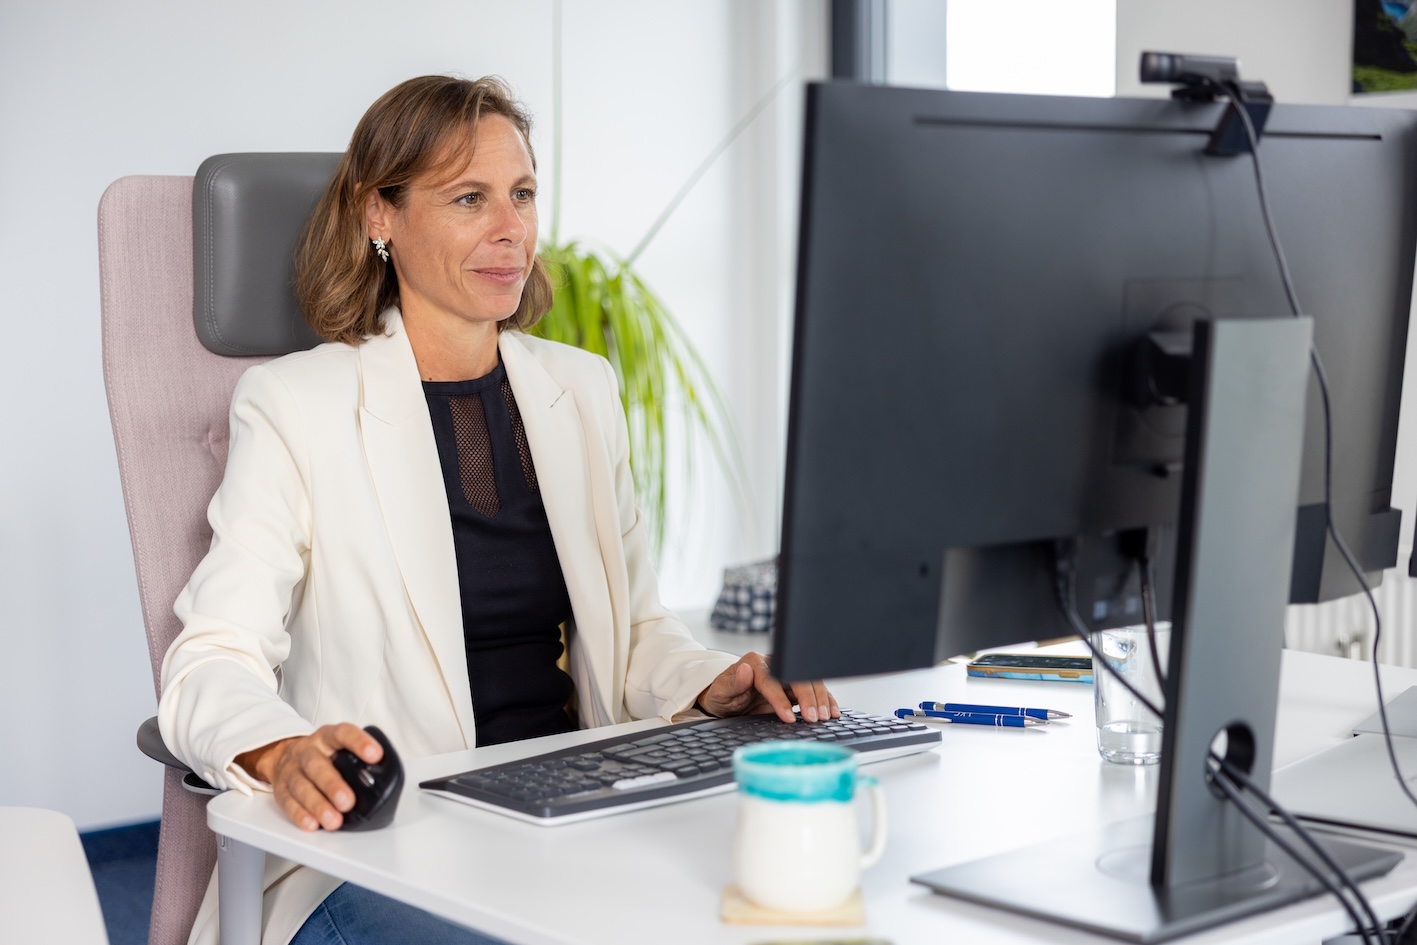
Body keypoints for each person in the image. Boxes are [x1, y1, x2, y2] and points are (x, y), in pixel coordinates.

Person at [158, 74, 837, 945]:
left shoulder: (579, 391)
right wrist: (279, 751)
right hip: (385, 844)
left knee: (782, 905)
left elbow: (634, 636)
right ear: (380, 217)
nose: (511, 229)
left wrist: (713, 679)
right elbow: (210, 659)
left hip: (567, 809)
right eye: (469, 198)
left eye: (521, 195)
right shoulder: (294, 406)